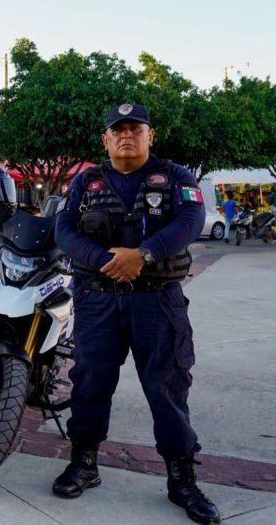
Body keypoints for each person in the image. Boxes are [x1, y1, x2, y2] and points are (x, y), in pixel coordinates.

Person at [53, 103, 219, 524]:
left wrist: (142, 256)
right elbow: (64, 229)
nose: (127, 135)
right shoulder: (86, 181)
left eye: (135, 128)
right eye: (118, 130)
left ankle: (181, 478)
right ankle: (84, 463)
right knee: (89, 382)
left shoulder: (177, 176)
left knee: (167, 386)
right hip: (98, 298)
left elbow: (190, 219)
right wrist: (105, 259)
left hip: (156, 300)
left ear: (150, 135)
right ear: (105, 139)